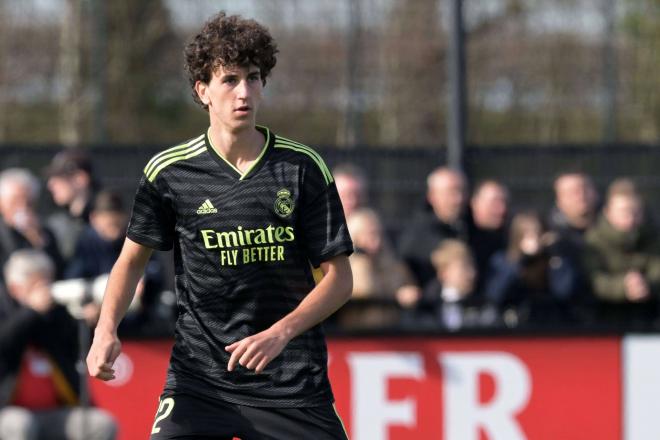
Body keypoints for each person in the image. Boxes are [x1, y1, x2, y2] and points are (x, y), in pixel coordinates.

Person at [87, 12, 353, 440]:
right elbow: (130, 261)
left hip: (290, 381)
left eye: (253, 78)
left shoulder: (302, 167)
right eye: (229, 80)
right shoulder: (169, 172)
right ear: (203, 90)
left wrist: (280, 332)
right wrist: (105, 330)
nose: (243, 92)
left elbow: (340, 280)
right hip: (200, 381)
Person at [0, 250, 116, 440]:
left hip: (54, 412)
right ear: (15, 288)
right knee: (19, 425)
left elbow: (73, 347)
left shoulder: (54, 314)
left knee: (101, 425)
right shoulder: (6, 310)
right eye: (36, 285)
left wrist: (86, 321)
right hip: (8, 410)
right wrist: (31, 311)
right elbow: (5, 342)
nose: (46, 292)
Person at [65, 190, 167, 336]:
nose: (113, 229)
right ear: (94, 219)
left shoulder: (135, 238)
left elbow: (155, 272)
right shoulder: (85, 242)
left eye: (117, 222)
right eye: (108, 224)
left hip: (137, 323)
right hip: (97, 324)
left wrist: (144, 283)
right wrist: (89, 305)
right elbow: (74, 281)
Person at [583, 178, 660, 329]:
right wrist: (622, 287)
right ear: (608, 212)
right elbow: (592, 279)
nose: (630, 218)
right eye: (624, 211)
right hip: (605, 322)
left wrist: (647, 285)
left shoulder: (654, 238)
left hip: (650, 320)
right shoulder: (594, 241)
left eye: (635, 212)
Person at [483, 211, 580, 328]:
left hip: (550, 326)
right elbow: (496, 295)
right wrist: (521, 261)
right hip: (515, 326)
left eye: (538, 234)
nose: (535, 240)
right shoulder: (503, 261)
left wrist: (556, 255)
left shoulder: (554, 261)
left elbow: (563, 292)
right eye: (528, 235)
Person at [337, 208, 419, 329]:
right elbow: (363, 292)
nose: (376, 240)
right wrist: (362, 260)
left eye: (378, 233)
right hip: (357, 333)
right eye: (368, 234)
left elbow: (410, 288)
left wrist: (408, 293)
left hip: (390, 331)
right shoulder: (344, 266)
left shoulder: (393, 264)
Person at [398, 166, 468, 287]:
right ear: (432, 196)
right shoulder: (417, 234)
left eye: (462, 191)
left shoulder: (468, 226)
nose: (458, 199)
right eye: (451, 192)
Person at [416, 240, 496, 331]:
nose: (472, 274)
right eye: (464, 267)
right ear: (443, 272)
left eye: (472, 267)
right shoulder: (426, 306)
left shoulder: (483, 308)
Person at [0, 168, 64, 278]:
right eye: (15, 201)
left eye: (29, 202)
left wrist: (38, 239)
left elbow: (59, 271)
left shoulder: (45, 233)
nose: (22, 207)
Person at [45, 149, 98, 262]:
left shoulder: (108, 214)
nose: (50, 184)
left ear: (80, 179)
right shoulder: (56, 223)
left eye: (59, 177)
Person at [467, 180, 509, 294]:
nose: (501, 209)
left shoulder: (509, 237)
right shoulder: (462, 236)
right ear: (475, 203)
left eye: (504, 202)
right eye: (494, 203)